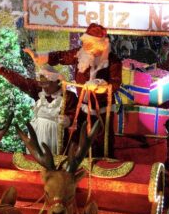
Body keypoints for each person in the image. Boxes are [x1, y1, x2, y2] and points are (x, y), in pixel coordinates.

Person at [25, 23, 122, 157]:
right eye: (85, 43)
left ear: (100, 45)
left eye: (89, 44)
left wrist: (99, 85)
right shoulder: (80, 54)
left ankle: (101, 165)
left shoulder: (113, 61)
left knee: (100, 141)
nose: (85, 47)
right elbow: (61, 56)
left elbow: (115, 84)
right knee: (78, 140)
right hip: (81, 108)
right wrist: (42, 57)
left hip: (102, 112)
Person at [0, 62, 78, 154]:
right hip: (37, 136)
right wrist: (1, 70)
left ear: (55, 82)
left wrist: (68, 119)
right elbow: (21, 81)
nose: (44, 89)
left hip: (56, 138)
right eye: (42, 85)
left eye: (47, 85)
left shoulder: (68, 96)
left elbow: (75, 115)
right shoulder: (39, 91)